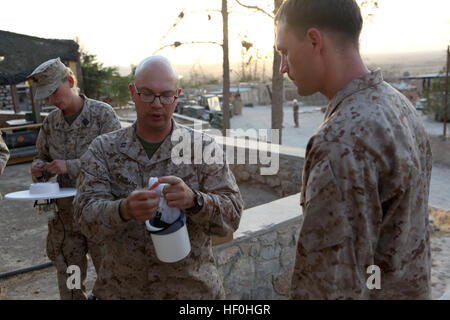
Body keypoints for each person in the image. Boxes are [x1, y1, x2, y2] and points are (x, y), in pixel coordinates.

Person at [276, 0, 432, 299]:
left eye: (284, 51)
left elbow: (327, 286)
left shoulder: (340, 143)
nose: (283, 66)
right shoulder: (398, 105)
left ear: (313, 41)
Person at [73, 55, 243, 300]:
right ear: (133, 92)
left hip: (192, 293)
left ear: (177, 95)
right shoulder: (103, 150)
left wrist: (194, 201)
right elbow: (84, 219)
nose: (157, 103)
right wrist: (123, 210)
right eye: (147, 94)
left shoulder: (202, 148)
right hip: (121, 292)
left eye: (166, 95)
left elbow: (232, 217)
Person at [28, 57, 122, 300]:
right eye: (46, 96)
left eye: (54, 92)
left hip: (100, 216)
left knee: (111, 281)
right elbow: (43, 156)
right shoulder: (50, 123)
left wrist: (69, 166)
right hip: (66, 222)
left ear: (70, 82)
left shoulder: (103, 115)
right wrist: (40, 168)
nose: (51, 100)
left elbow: (116, 161)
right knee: (71, 283)